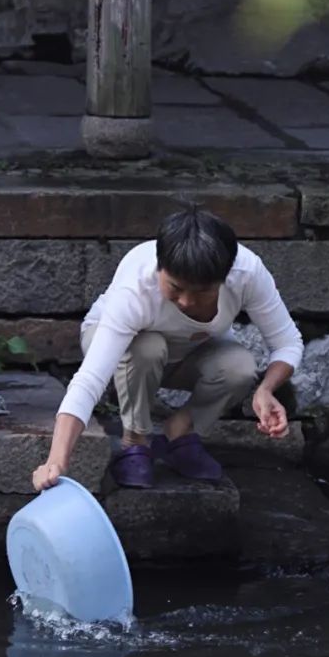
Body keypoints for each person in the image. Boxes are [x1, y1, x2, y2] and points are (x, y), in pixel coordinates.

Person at [32, 204, 304, 491]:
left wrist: (266, 389)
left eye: (201, 292)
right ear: (159, 267)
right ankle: (135, 440)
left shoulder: (246, 273)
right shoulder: (135, 290)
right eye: (175, 287)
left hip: (191, 350)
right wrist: (56, 461)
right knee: (148, 347)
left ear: (225, 279)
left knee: (240, 367)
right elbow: (89, 381)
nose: (186, 301)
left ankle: (180, 431)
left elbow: (287, 343)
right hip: (126, 352)